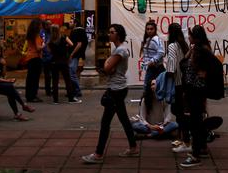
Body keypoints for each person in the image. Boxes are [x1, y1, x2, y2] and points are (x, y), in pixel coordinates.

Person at [82, 24, 139, 164]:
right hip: (118, 88)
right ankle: (133, 147)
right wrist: (108, 64)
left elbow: (106, 68)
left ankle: (98, 154)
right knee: (124, 119)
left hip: (116, 90)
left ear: (118, 34)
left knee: (105, 122)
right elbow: (108, 67)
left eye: (112, 32)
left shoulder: (120, 51)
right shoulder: (118, 49)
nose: (109, 34)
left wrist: (108, 63)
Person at [178, 25, 218, 168]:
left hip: (197, 90)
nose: (188, 37)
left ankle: (195, 155)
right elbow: (183, 64)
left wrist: (206, 74)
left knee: (195, 123)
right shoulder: (195, 49)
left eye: (190, 35)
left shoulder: (203, 50)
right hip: (192, 90)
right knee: (197, 122)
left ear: (196, 36)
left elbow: (214, 66)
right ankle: (202, 148)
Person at [0, 44, 35, 120]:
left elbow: (3, 74)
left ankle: (18, 113)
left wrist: (4, 65)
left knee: (10, 90)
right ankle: (23, 106)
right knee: (10, 87)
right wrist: (8, 81)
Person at [166, 23, 191, 152]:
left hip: (177, 84)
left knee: (179, 114)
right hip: (186, 84)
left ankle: (184, 141)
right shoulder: (184, 45)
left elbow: (171, 68)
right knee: (184, 113)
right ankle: (183, 139)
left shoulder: (172, 46)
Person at [48, 24, 81, 104]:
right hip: (63, 61)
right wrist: (65, 46)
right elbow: (72, 44)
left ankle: (55, 100)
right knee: (67, 80)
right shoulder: (63, 37)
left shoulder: (50, 40)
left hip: (54, 61)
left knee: (55, 81)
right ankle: (71, 98)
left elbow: (49, 51)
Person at [140, 20, 165, 114]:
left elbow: (161, 52)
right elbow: (146, 56)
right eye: (147, 29)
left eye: (151, 29)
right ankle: (149, 112)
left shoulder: (156, 39)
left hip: (157, 68)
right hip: (152, 68)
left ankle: (151, 112)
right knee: (149, 89)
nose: (149, 31)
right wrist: (143, 66)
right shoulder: (147, 40)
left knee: (152, 89)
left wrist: (152, 61)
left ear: (155, 30)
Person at [23, 17, 44, 103]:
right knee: (35, 78)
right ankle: (33, 96)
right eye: (40, 25)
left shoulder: (29, 34)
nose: (41, 26)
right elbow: (38, 48)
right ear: (37, 26)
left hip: (30, 57)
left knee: (30, 78)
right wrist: (44, 45)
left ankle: (29, 95)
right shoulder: (36, 35)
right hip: (36, 58)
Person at [68, 24, 88, 100]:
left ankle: (77, 90)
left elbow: (79, 44)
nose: (69, 23)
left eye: (71, 21)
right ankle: (74, 90)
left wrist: (72, 54)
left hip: (75, 55)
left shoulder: (78, 31)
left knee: (72, 73)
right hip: (75, 55)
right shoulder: (76, 31)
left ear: (75, 23)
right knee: (71, 73)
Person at [41, 19, 53, 97]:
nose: (49, 26)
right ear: (45, 25)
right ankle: (48, 90)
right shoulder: (42, 33)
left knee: (51, 75)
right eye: (48, 24)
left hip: (52, 56)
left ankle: (51, 89)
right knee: (47, 75)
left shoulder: (52, 33)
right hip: (45, 57)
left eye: (50, 24)